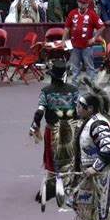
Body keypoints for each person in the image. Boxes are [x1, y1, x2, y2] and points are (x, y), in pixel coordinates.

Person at [73, 78, 110, 220]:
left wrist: (96, 167)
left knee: (100, 210)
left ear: (90, 109)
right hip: (89, 175)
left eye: (81, 106)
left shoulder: (98, 123)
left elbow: (109, 149)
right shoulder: (89, 121)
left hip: (101, 176)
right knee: (83, 207)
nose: (77, 109)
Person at [30, 60, 79, 208]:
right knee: (70, 157)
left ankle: (53, 186)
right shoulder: (73, 90)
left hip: (52, 130)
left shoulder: (46, 91)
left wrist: (35, 125)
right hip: (70, 128)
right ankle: (69, 186)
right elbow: (79, 110)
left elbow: (39, 112)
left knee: (51, 158)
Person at [62, 0, 105, 87]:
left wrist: (94, 38)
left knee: (89, 66)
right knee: (75, 67)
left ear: (87, 4)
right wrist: (63, 40)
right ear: (77, 2)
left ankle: (93, 86)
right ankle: (74, 85)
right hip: (74, 45)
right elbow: (67, 28)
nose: (81, 5)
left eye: (84, 3)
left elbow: (102, 27)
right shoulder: (72, 13)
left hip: (87, 46)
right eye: (80, 3)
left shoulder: (92, 14)